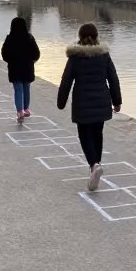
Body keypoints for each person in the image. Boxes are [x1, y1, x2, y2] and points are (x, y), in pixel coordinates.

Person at [57, 23, 121, 192]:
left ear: (80, 37)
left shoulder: (75, 57)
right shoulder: (104, 56)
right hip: (101, 101)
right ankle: (96, 165)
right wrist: (117, 101)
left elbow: (66, 81)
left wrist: (61, 102)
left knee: (84, 135)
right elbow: (113, 79)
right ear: (96, 36)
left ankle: (94, 165)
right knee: (97, 133)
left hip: (82, 103)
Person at [0, 17, 41, 123]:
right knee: (26, 88)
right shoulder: (29, 38)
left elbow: (4, 54)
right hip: (27, 67)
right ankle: (26, 108)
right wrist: (32, 61)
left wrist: (10, 60)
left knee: (18, 89)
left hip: (15, 68)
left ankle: (20, 111)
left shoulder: (10, 39)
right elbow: (36, 53)